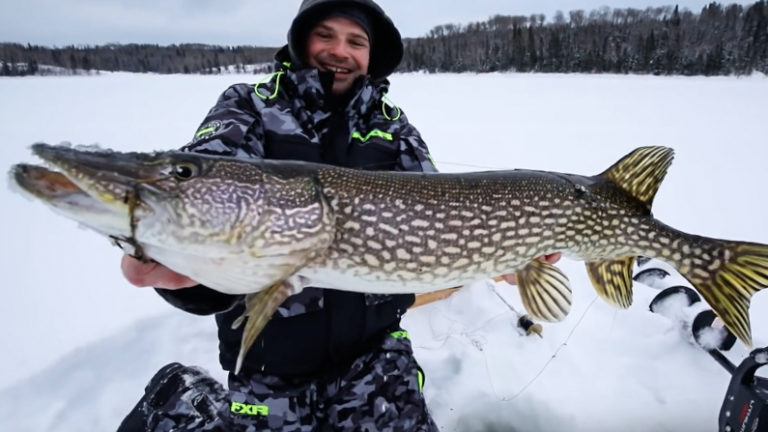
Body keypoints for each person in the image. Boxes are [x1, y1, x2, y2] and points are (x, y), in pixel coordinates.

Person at [118, 1, 560, 430]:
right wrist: (192, 274)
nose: (340, 51)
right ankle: (183, 401)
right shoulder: (250, 107)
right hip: (269, 365)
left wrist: (506, 252)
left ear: (371, 55)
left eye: (356, 41)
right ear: (300, 40)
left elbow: (440, 214)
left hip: (376, 357)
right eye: (324, 34)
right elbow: (210, 187)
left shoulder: (393, 127)